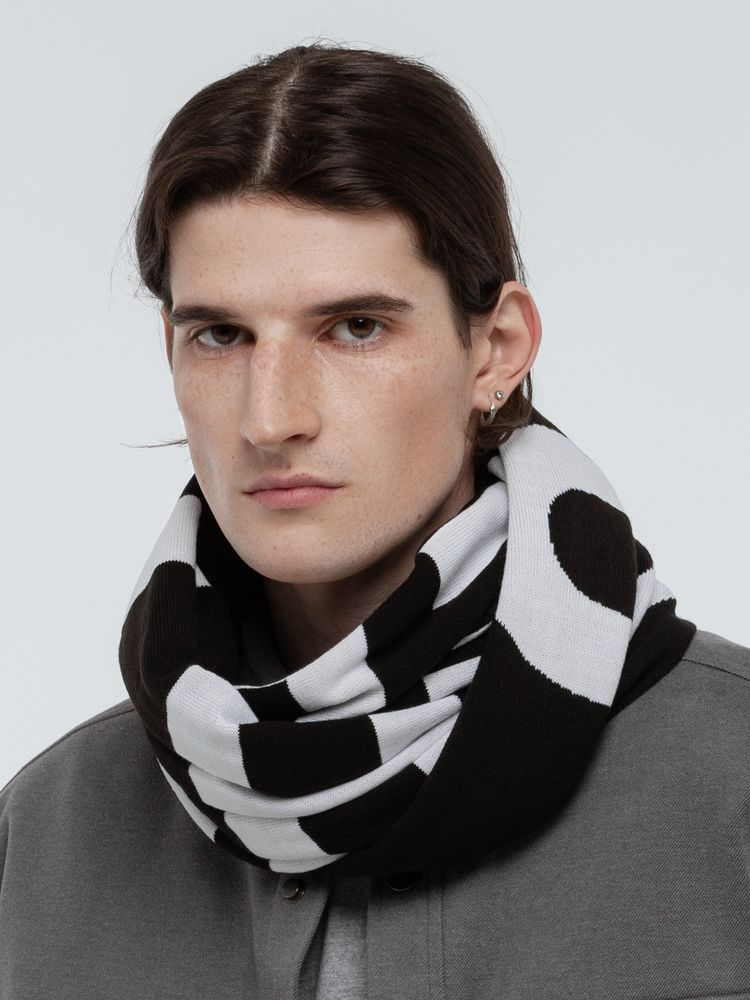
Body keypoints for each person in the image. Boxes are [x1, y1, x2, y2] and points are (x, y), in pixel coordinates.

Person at [1, 41, 748, 1000]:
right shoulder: (49, 837)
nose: (270, 418)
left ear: (496, 349)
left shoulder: (730, 778)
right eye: (220, 335)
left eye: (356, 327)